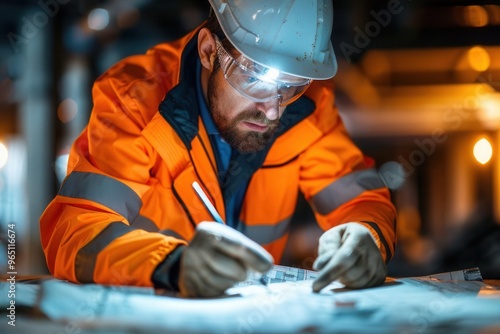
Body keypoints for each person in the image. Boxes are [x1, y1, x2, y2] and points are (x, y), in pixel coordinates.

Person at [40, 0, 396, 298]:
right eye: (256, 79)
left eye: (292, 85)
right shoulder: (134, 101)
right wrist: (171, 264)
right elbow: (76, 232)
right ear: (210, 50)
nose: (274, 109)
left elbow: (360, 201)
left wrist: (369, 235)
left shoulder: (310, 109)